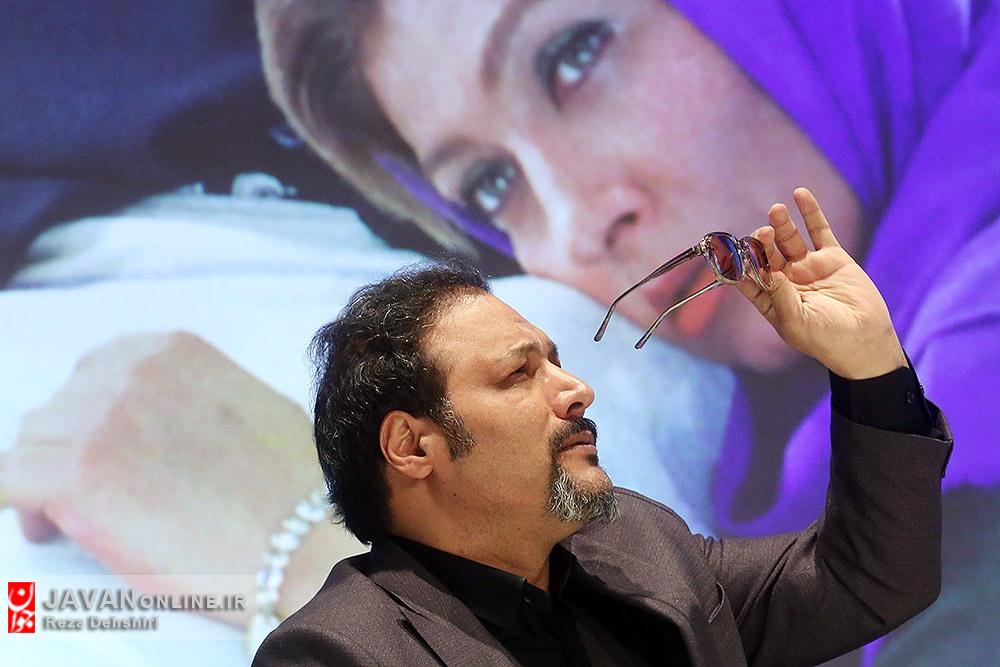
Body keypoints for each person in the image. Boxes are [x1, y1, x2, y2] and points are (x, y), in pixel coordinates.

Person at [254, 0, 1000, 527]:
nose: (578, 232)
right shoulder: (770, 465)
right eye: (492, 183)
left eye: (574, 55)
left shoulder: (973, 355)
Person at [252, 191, 953, 666]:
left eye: (556, 362)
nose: (577, 389)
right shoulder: (338, 652)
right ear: (412, 446)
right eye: (518, 374)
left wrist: (869, 364)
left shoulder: (642, 549)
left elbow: (867, 579)